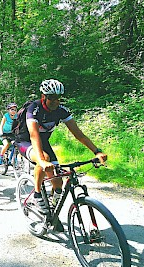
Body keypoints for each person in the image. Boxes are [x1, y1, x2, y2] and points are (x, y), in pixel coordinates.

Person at [15, 79, 107, 230]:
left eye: (58, 98)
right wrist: (42, 161)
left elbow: (79, 134)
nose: (55, 101)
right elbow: (33, 135)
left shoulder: (61, 110)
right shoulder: (34, 108)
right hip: (24, 142)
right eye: (51, 97)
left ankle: (52, 214)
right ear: (43, 96)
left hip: (44, 143)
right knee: (43, 158)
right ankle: (37, 194)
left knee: (58, 183)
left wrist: (97, 151)